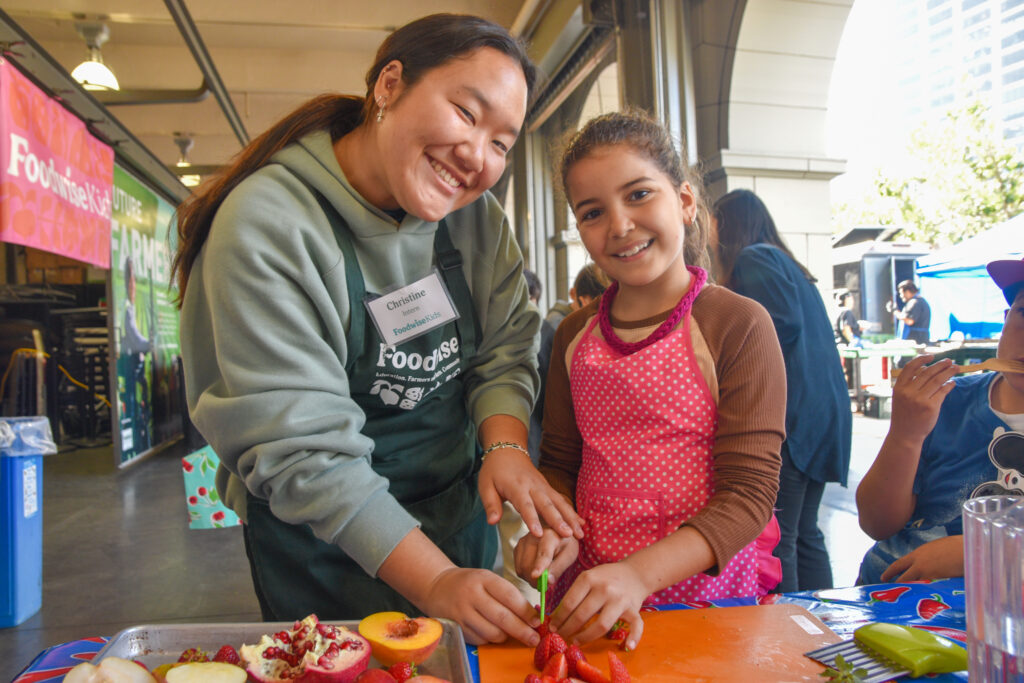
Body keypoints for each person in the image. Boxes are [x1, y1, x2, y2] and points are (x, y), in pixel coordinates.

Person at [172, 14, 583, 647]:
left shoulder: (474, 218)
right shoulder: (269, 225)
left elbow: (505, 346)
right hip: (323, 544)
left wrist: (505, 447)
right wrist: (438, 582)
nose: (477, 157)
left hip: (454, 513)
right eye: (467, 114)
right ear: (389, 85)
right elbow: (303, 449)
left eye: (503, 143)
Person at [515, 110, 786, 650]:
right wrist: (552, 534)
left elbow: (748, 495)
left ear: (685, 202)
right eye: (593, 212)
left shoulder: (736, 324)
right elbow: (562, 466)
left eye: (639, 194)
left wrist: (639, 575)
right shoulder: (573, 334)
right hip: (588, 600)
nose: (619, 225)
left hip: (704, 602)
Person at [711, 189, 851, 593]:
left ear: (729, 222)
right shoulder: (787, 263)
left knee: (783, 534)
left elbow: (777, 324)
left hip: (795, 418)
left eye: (714, 220)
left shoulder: (755, 257)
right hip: (823, 413)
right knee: (806, 531)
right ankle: (820, 622)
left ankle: (789, 631)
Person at [856, 257, 1024, 585]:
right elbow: (876, 523)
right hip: (889, 600)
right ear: (1005, 320)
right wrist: (905, 435)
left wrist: (978, 551)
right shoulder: (947, 402)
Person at [893, 279, 931, 344]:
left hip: (916, 341)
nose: (901, 296)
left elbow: (909, 320)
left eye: (901, 293)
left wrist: (895, 312)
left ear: (907, 291)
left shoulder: (915, 302)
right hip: (919, 339)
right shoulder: (919, 301)